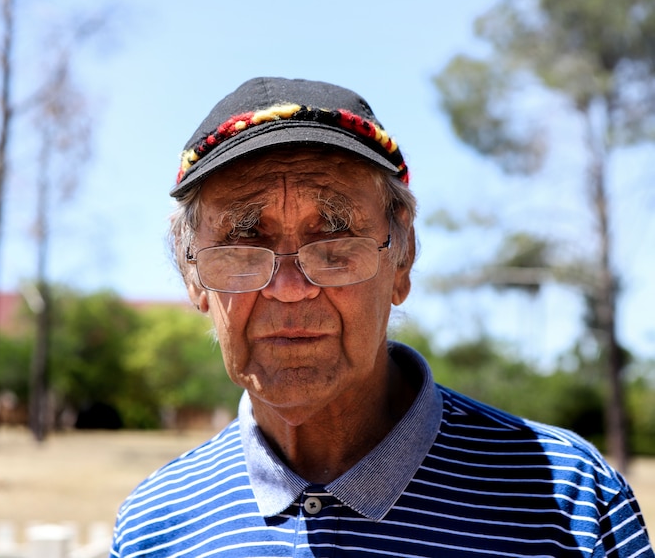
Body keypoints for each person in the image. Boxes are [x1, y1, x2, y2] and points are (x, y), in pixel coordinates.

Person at [109, 77, 652, 557]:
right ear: (192, 276)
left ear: (402, 258)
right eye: (244, 243)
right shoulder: (155, 528)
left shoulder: (568, 501)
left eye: (335, 241)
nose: (291, 289)